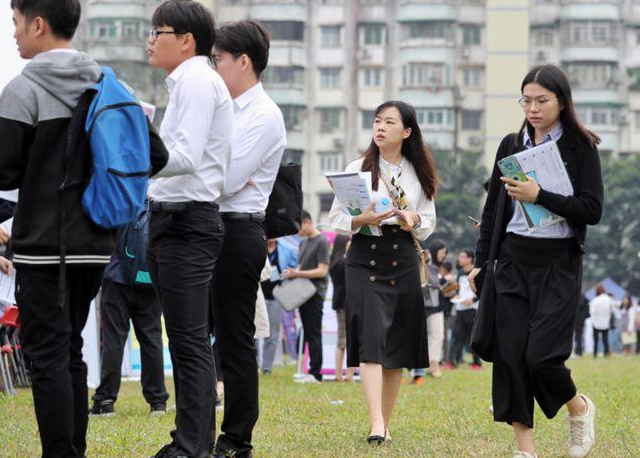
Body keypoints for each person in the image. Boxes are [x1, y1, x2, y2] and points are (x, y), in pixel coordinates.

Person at [0, 1, 168, 457]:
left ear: (38, 24)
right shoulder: (111, 85)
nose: (14, 34)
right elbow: (156, 156)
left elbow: (4, 169)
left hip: (40, 247)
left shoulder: (23, 89)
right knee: (69, 348)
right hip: (96, 244)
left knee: (47, 355)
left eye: (15, 23)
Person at [468, 64, 603, 458]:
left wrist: (539, 194)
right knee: (510, 356)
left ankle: (578, 407)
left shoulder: (581, 147)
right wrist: (481, 261)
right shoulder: (511, 144)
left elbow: (591, 209)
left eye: (542, 100)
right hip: (511, 258)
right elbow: (493, 207)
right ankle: (524, 451)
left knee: (541, 357)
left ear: (562, 101)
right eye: (527, 100)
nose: (533, 108)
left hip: (557, 263)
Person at [145, 2, 232, 457]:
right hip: (172, 217)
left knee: (189, 338)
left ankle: (193, 446)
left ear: (186, 40)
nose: (150, 39)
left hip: (186, 220)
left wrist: (135, 152)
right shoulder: (186, 82)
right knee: (183, 337)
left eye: (157, 31)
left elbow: (185, 158)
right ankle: (190, 438)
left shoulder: (197, 81)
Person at [329, 100, 437, 444]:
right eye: (377, 121)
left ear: (406, 132)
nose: (381, 127)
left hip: (402, 256)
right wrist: (362, 219)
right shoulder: (357, 167)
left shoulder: (419, 173)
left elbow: (429, 220)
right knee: (372, 339)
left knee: (397, 347)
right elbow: (335, 218)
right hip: (365, 256)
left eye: (390, 122)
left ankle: (385, 423)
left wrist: (414, 219)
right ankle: (376, 423)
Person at [209, 20, 287, 458]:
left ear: (243, 62)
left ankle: (237, 439)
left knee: (234, 338)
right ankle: (195, 432)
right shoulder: (221, 107)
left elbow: (228, 178)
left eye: (218, 59)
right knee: (194, 334)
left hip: (238, 231)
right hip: (204, 225)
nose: (213, 66)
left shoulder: (264, 114)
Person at [90, 210, 169, 417]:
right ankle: (158, 401)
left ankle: (106, 400)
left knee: (114, 340)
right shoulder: (158, 195)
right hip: (149, 278)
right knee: (152, 340)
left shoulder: (122, 192)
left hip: (117, 277)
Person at [281, 211, 330, 383]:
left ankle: (316, 373)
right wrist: (293, 274)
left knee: (314, 333)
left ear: (308, 222)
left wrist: (298, 273)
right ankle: (310, 370)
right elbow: (301, 266)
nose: (298, 231)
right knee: (307, 333)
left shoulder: (322, 241)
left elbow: (322, 270)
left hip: (315, 293)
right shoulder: (303, 243)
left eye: (299, 226)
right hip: (302, 293)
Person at [259, 238, 297, 373]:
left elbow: (295, 266)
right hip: (257, 296)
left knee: (272, 334)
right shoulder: (259, 246)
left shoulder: (286, 248)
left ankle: (267, 367)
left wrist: (289, 274)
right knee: (253, 332)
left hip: (276, 297)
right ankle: (251, 364)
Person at [329, 234, 355, 382]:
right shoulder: (345, 263)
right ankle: (348, 375)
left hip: (339, 303)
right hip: (348, 303)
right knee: (350, 340)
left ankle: (338, 374)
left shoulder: (334, 262)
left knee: (341, 339)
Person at [450, 249, 482, 370]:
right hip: (460, 308)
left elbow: (482, 290)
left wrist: (473, 300)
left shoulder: (476, 272)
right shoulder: (459, 272)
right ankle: (454, 361)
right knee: (457, 336)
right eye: (460, 256)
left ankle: (476, 363)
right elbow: (457, 288)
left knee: (473, 337)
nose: (460, 259)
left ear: (469, 259)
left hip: (472, 309)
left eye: (463, 257)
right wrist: (456, 294)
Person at [589, 284, 614, 358]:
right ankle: (606, 354)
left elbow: (591, 312)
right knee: (605, 340)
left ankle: (595, 354)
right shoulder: (609, 300)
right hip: (605, 323)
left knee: (596, 341)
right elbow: (611, 310)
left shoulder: (595, 300)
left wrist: (593, 322)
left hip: (596, 323)